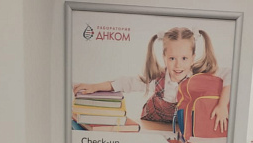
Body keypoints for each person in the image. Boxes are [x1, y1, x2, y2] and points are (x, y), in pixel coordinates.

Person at [73, 27, 231, 131]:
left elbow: (230, 74)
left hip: (181, 129)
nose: (178, 65)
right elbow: (125, 83)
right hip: (152, 125)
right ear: (164, 57)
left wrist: (222, 105)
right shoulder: (157, 78)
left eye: (184, 58)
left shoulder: (199, 76)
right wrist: (95, 86)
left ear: (193, 57)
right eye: (172, 58)